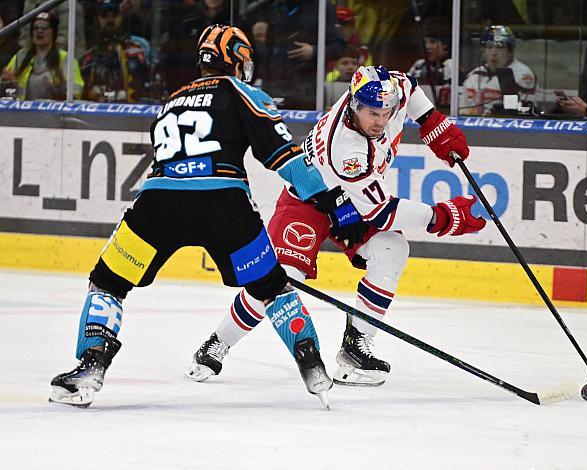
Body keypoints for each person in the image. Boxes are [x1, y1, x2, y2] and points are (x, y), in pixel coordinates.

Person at [48, 24, 367, 408]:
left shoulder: (173, 99)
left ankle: (89, 367)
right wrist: (335, 204)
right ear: (237, 59)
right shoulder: (243, 92)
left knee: (107, 283)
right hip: (225, 205)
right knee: (272, 290)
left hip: (158, 203)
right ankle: (312, 365)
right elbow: (288, 161)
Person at [185, 65, 486, 388]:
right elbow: (383, 212)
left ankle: (356, 347)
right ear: (354, 105)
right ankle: (218, 342)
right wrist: (442, 218)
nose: (381, 121)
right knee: (281, 281)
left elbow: (408, 85)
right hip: (309, 201)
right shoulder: (346, 150)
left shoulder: (388, 91)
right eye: (372, 113)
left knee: (391, 249)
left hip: (354, 203)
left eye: (387, 112)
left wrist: (430, 120)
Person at [259, 0, 345, 109]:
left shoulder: (322, 7)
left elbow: (339, 47)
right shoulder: (276, 7)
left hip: (305, 93)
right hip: (273, 90)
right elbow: (268, 51)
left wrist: (313, 51)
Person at [159, 0, 251, 94]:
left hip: (225, 93)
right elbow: (171, 60)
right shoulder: (187, 23)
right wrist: (174, 90)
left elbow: (249, 60)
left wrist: (243, 92)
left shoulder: (238, 23)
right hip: (187, 90)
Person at [80, 0, 150, 103]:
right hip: (96, 114)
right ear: (97, 19)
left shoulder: (136, 52)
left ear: (121, 17)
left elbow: (145, 87)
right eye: (105, 16)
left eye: (114, 15)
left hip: (129, 113)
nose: (110, 19)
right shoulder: (88, 58)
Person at [1, 12, 83, 100]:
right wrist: (6, 82)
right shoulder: (21, 56)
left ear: (53, 32)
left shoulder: (66, 58)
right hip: (23, 112)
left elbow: (76, 93)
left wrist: (58, 92)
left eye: (44, 28)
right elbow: (5, 90)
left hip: (53, 113)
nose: (39, 31)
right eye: (36, 28)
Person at [459, 25, 536, 116]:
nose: (494, 53)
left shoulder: (523, 75)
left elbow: (525, 111)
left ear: (510, 51)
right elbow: (461, 110)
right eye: (489, 47)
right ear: (483, 51)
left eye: (500, 47)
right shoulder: (474, 75)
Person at [406, 33, 453, 108]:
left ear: (445, 46)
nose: (427, 46)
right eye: (425, 42)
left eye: (433, 42)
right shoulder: (419, 64)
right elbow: (405, 86)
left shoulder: (451, 65)